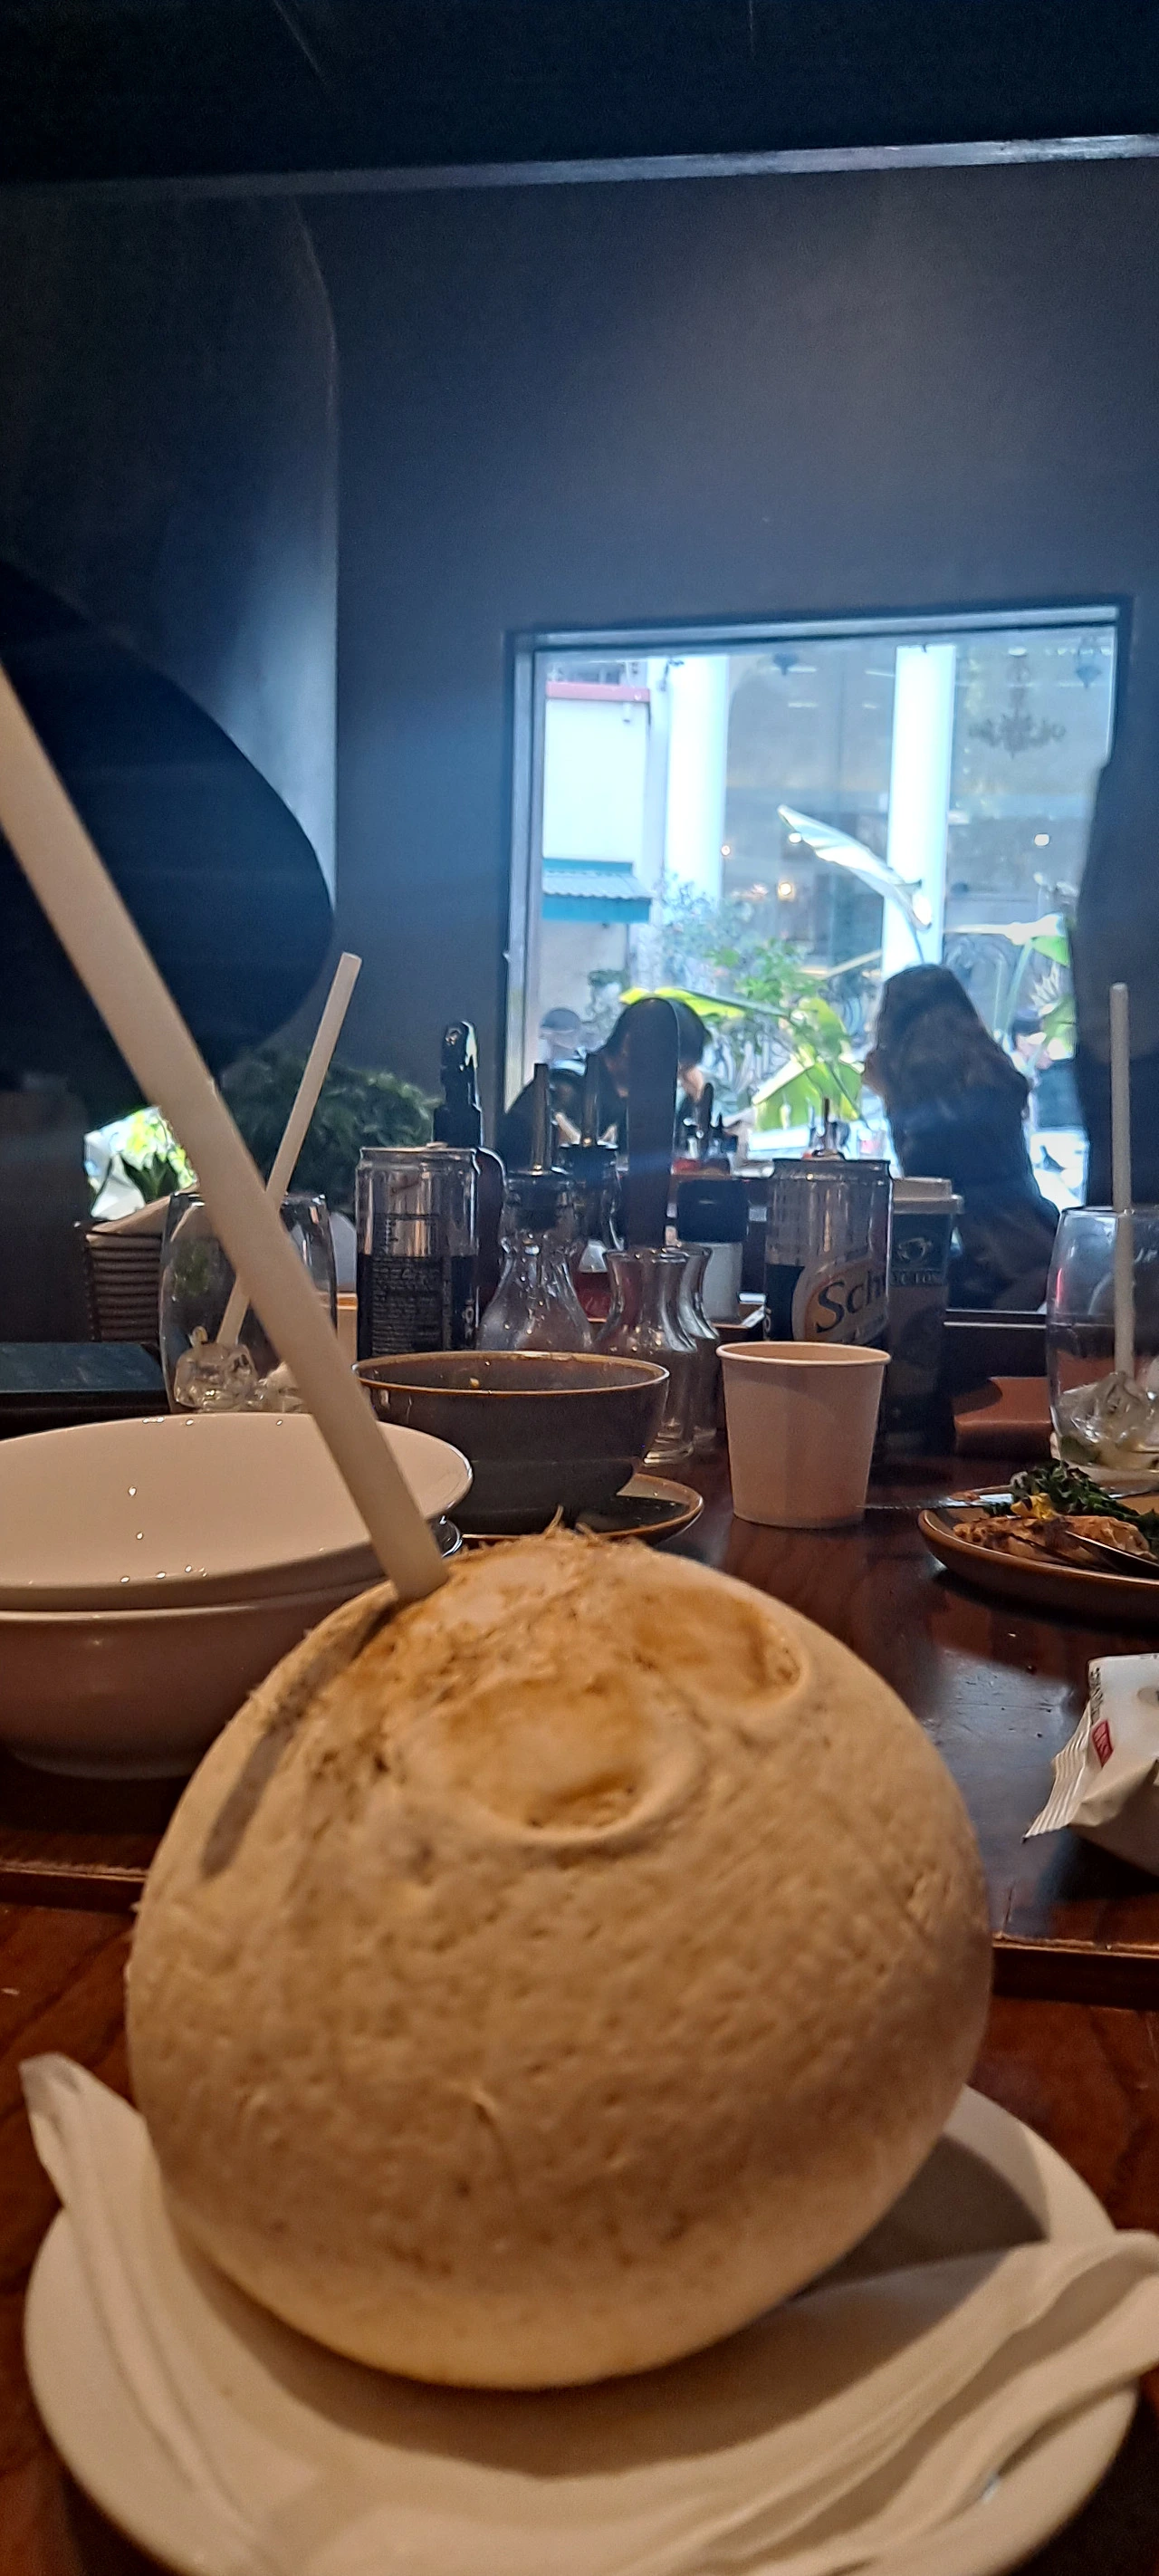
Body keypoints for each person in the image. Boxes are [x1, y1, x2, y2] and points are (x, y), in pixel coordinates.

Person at [863, 965, 1058, 1311]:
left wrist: (891, 1096)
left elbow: (925, 1195)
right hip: (1036, 1244)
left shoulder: (919, 1097)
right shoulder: (991, 1070)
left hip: (981, 1269)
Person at [496, 999, 708, 1169]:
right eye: (675, 1068)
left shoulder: (630, 1103)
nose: (674, 1080)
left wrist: (694, 1100)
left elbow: (660, 1164)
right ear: (629, 1044)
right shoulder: (564, 1089)